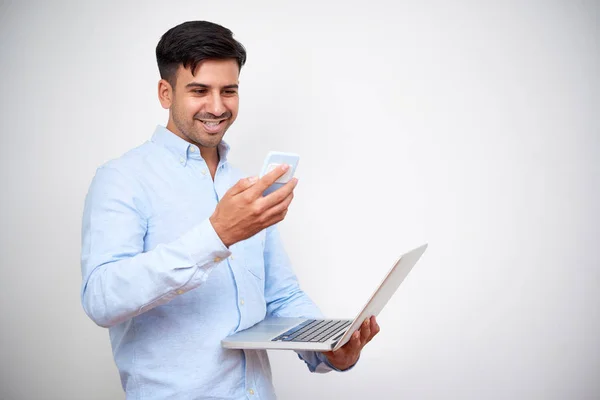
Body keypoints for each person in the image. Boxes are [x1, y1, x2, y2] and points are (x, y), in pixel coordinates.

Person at [80, 20, 380, 399]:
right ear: (165, 92)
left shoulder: (245, 186)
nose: (218, 107)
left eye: (229, 91)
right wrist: (216, 235)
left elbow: (282, 296)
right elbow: (101, 298)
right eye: (199, 90)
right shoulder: (121, 178)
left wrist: (328, 349)